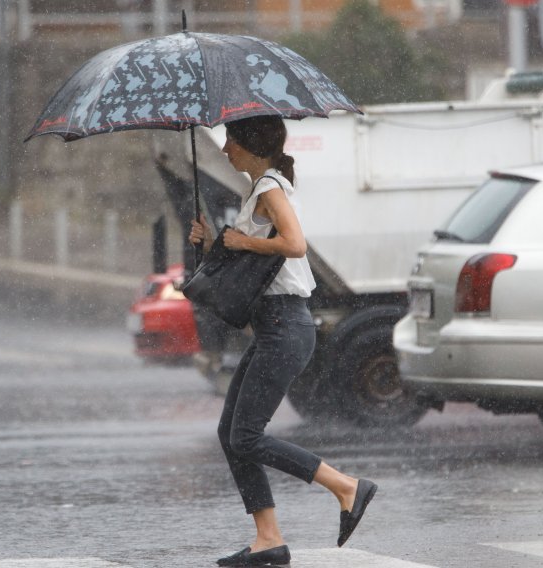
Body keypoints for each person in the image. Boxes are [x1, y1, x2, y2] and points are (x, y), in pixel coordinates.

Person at [188, 115, 377, 567]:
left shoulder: (270, 187)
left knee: (247, 436)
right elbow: (253, 264)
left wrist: (242, 242)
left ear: (251, 145)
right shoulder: (258, 189)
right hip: (273, 326)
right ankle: (268, 538)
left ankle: (346, 486)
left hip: (286, 327)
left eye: (231, 141)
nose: (226, 149)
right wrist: (214, 241)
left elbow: (294, 245)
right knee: (231, 433)